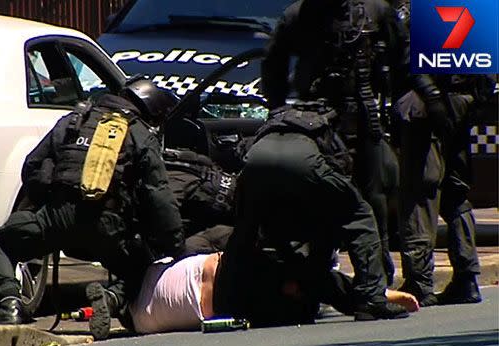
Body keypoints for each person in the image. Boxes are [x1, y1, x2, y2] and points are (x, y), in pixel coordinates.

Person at [0, 78, 186, 341]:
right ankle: (111, 298)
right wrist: (175, 247)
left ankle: (10, 305)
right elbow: (159, 196)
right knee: (145, 262)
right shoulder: (139, 134)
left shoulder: (74, 120)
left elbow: (32, 165)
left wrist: (45, 205)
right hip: (108, 226)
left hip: (56, 217)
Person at [210, 101, 409, 326]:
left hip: (255, 164)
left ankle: (227, 302)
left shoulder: (271, 124)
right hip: (302, 163)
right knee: (360, 216)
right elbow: (341, 168)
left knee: (245, 232)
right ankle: (372, 299)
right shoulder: (324, 128)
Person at [261, 0, 408, 286]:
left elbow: (402, 57)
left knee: (372, 199)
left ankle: (376, 280)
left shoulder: (375, 11)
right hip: (319, 122)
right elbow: (273, 66)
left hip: (365, 121)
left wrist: (403, 100)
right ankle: (317, 278)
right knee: (322, 199)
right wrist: (278, 109)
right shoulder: (298, 15)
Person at [390, 0, 492, 306]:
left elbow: (409, 65)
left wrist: (435, 100)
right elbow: (486, 78)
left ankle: (420, 282)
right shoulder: (471, 8)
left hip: (427, 113)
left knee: (420, 195)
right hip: (460, 110)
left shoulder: (418, 10)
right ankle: (467, 276)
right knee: (455, 194)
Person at [129, 252, 419, 334]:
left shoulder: (143, 320)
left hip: (222, 306)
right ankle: (369, 294)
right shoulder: (155, 270)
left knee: (300, 299)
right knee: (302, 279)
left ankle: (365, 295)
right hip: (221, 276)